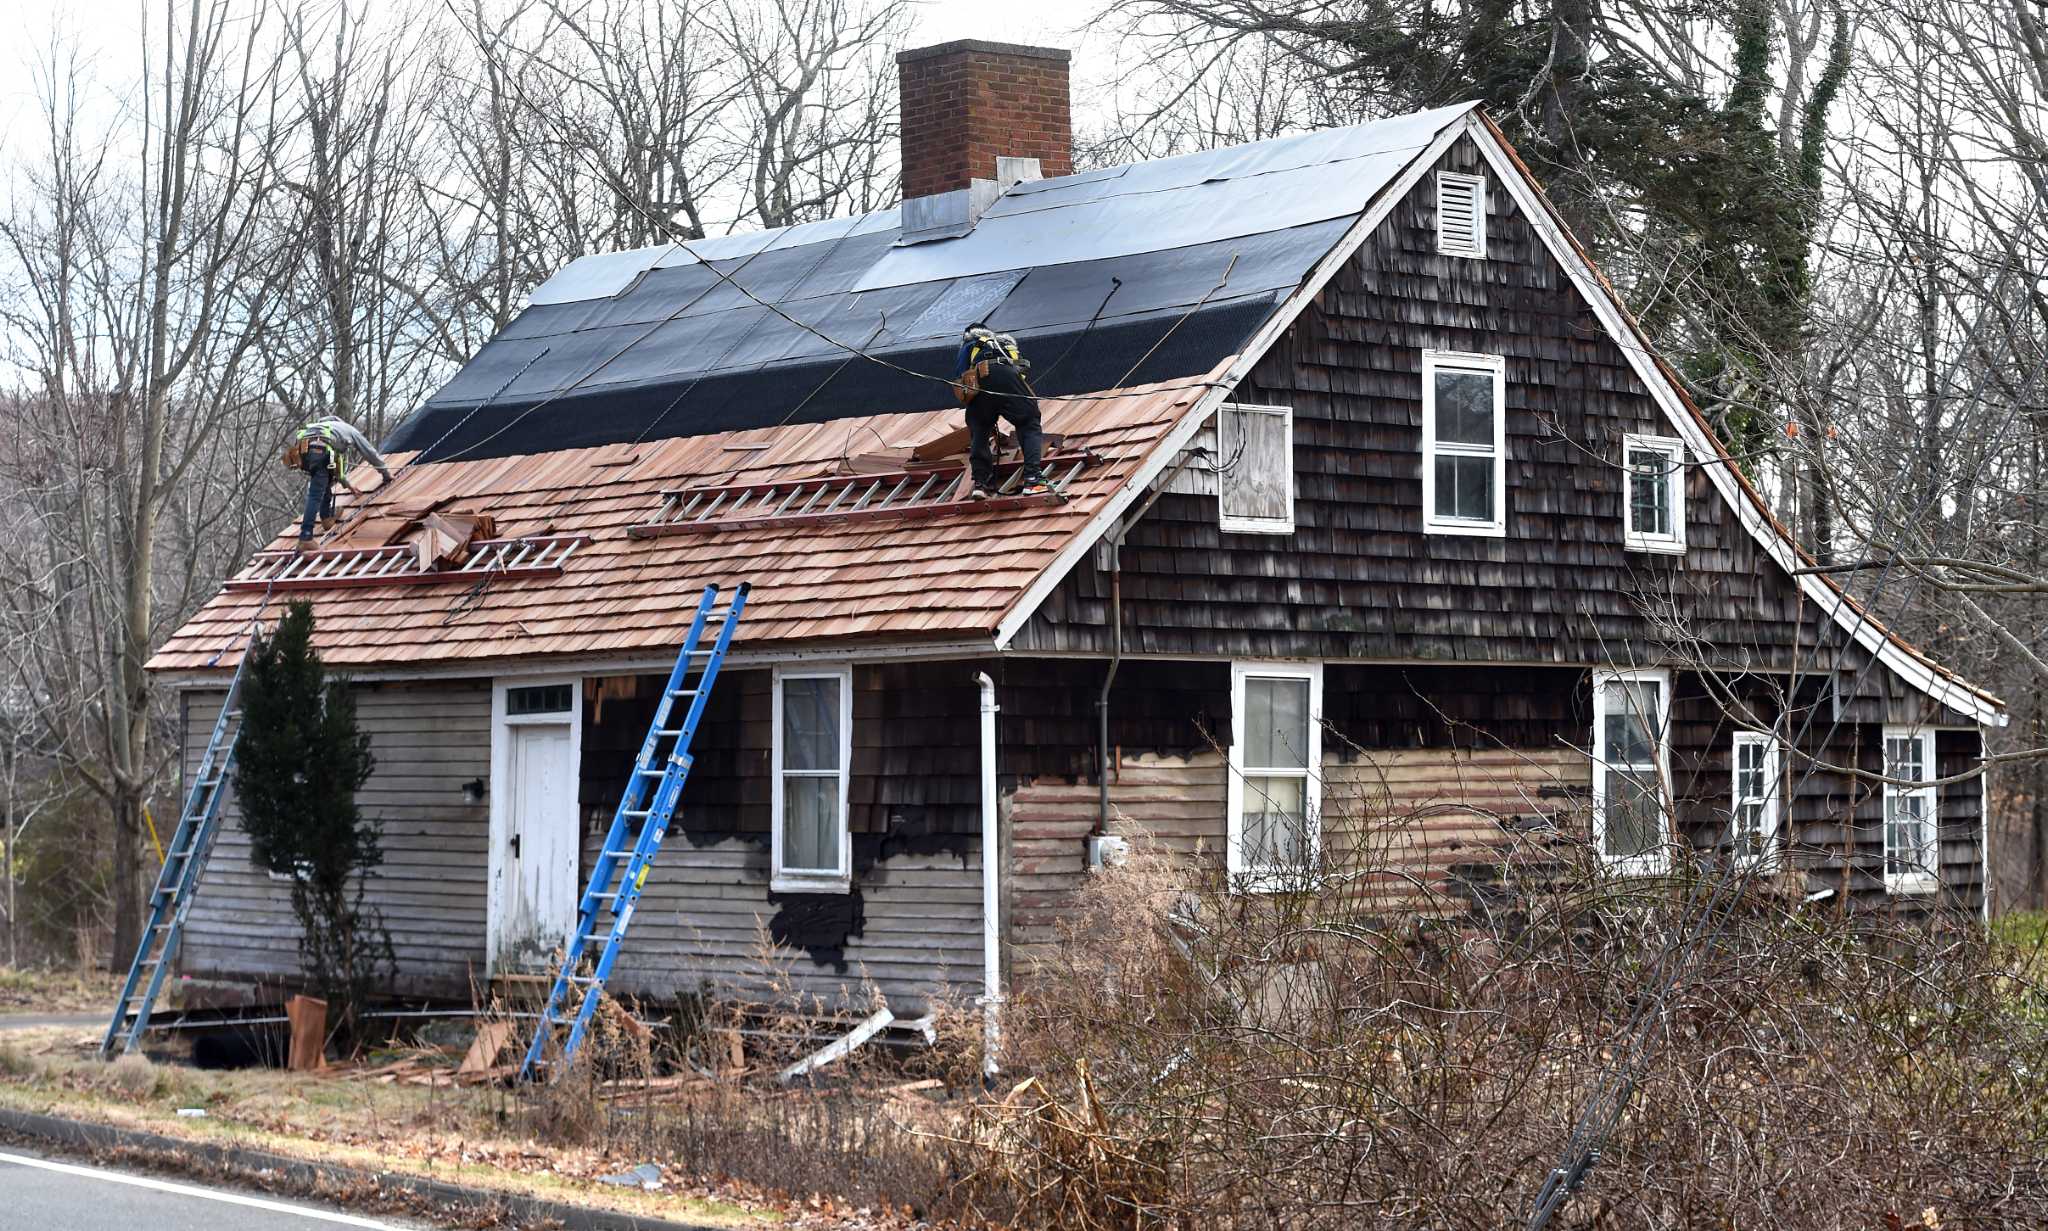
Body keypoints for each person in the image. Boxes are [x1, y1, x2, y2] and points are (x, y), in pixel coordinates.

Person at [952, 326, 1050, 499]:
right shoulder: (1004, 344)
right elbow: (1020, 374)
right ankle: (1033, 480)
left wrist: (985, 406)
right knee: (1028, 422)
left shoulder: (969, 344)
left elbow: (961, 374)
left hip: (979, 379)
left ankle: (981, 484)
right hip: (1007, 376)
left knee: (979, 429)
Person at [285, 415, 393, 546]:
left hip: (304, 454)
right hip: (320, 451)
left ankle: (326, 517)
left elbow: (337, 471)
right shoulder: (348, 429)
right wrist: (386, 474)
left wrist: (348, 486)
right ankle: (305, 537)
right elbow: (370, 453)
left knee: (323, 477)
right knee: (315, 493)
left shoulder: (315, 427)